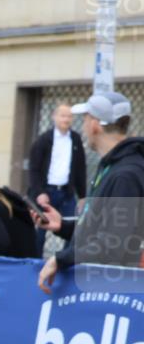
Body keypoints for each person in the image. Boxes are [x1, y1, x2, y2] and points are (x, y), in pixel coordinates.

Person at [37, 91, 144, 293]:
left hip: (110, 291)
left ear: (94, 124)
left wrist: (61, 259)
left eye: (85, 119)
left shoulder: (126, 174)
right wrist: (63, 226)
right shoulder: (112, 166)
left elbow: (113, 245)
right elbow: (104, 227)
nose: (83, 127)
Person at [27, 104, 86, 220]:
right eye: (63, 116)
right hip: (47, 192)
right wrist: (39, 192)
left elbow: (80, 169)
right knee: (42, 227)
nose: (66, 119)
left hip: (67, 192)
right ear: (54, 116)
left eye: (69, 116)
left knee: (72, 225)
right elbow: (34, 169)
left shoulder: (76, 139)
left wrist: (82, 196)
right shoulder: (43, 140)